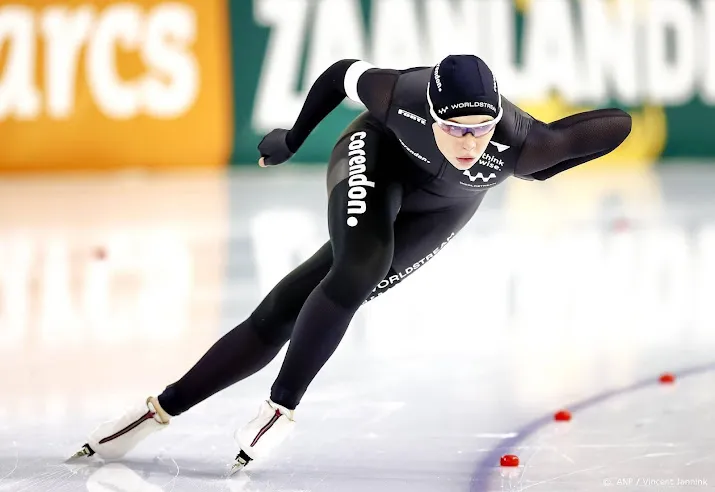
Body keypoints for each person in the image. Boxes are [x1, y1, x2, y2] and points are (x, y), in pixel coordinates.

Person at [72, 54, 632, 471]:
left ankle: (161, 410)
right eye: (455, 129)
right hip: (376, 158)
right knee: (357, 268)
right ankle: (279, 408)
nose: (468, 142)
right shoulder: (399, 95)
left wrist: (543, 167)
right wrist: (292, 140)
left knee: (295, 306)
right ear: (430, 113)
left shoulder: (522, 142)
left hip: (443, 209)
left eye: (480, 129)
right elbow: (340, 72)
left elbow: (619, 125)